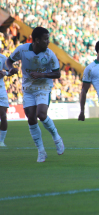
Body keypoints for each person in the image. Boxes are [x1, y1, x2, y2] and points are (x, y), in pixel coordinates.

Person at [6, 27, 64, 162]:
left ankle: (56, 137)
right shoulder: (22, 50)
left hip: (43, 86)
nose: (48, 42)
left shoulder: (49, 54)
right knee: (31, 119)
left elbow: (57, 73)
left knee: (41, 114)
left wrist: (41, 75)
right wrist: (11, 69)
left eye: (48, 38)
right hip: (28, 88)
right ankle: (41, 151)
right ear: (37, 40)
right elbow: (9, 61)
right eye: (45, 39)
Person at [0, 53, 10, 147]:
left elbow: (10, 71)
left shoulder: (3, 58)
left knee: (3, 115)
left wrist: (5, 73)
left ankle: (1, 141)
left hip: (1, 89)